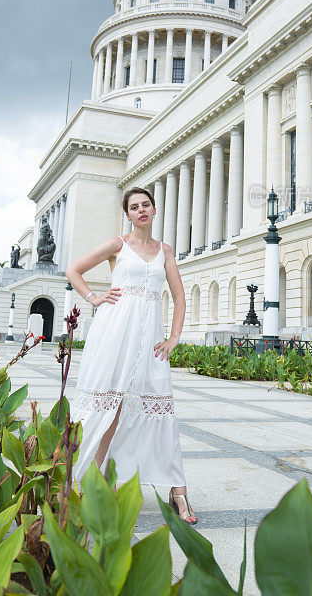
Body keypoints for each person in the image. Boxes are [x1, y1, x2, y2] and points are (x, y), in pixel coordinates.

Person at [65, 187, 197, 523]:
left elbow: (180, 299)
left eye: (146, 205)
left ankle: (177, 491)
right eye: (134, 206)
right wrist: (93, 297)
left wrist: (174, 338)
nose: (141, 210)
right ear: (128, 214)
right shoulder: (117, 245)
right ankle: (94, 480)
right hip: (113, 334)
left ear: (154, 210)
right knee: (112, 404)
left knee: (160, 405)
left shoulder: (165, 251)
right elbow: (73, 270)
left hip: (149, 340)